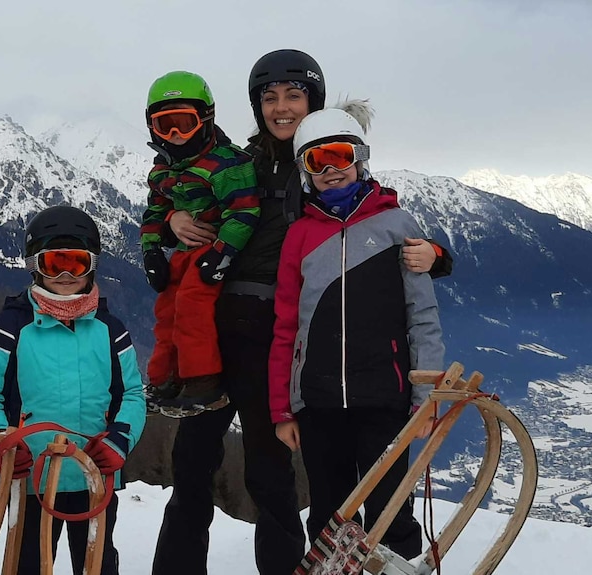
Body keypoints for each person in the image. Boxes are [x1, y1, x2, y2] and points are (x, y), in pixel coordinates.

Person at [152, 49, 451, 575]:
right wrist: (173, 217)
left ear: (315, 101)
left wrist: (439, 254)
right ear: (255, 105)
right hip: (220, 332)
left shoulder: (326, 165)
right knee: (192, 464)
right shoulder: (237, 161)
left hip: (279, 338)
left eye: (295, 95)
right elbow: (178, 180)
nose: (282, 108)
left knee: (270, 475)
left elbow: (383, 228)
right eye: (270, 98)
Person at [269, 101, 444, 559]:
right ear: (304, 170)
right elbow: (286, 326)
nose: (330, 170)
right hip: (320, 403)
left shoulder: (397, 225)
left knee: (392, 512)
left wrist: (427, 397)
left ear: (360, 158)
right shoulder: (299, 236)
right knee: (329, 516)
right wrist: (283, 409)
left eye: (340, 157)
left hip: (384, 398)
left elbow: (422, 315)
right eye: (316, 160)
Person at [0, 205, 146, 575]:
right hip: (30, 474)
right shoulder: (10, 327)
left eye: (77, 264)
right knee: (27, 564)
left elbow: (132, 394)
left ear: (92, 265)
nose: (66, 275)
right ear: (36, 265)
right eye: (54, 264)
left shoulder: (109, 329)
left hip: (94, 475)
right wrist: (0, 442)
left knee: (96, 564)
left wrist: (119, 440)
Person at [141, 70, 260, 416]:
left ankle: (202, 380)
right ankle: (165, 378)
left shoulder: (226, 164)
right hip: (182, 253)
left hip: (213, 247)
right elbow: (155, 210)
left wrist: (221, 254)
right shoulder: (163, 169)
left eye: (184, 123)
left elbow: (244, 211)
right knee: (167, 309)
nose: (176, 135)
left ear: (206, 118)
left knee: (192, 306)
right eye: (166, 126)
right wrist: (151, 251)